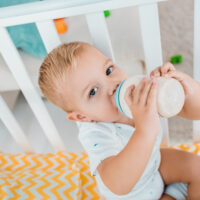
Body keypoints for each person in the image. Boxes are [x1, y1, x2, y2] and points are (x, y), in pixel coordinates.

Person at [38, 41, 200, 200]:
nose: (113, 85)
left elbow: (194, 112)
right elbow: (118, 184)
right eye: (93, 91)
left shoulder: (138, 91)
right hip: (133, 195)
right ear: (82, 117)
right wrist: (144, 131)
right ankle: (172, 194)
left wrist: (187, 91)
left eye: (109, 70)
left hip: (155, 166)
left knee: (197, 168)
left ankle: (173, 194)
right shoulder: (96, 133)